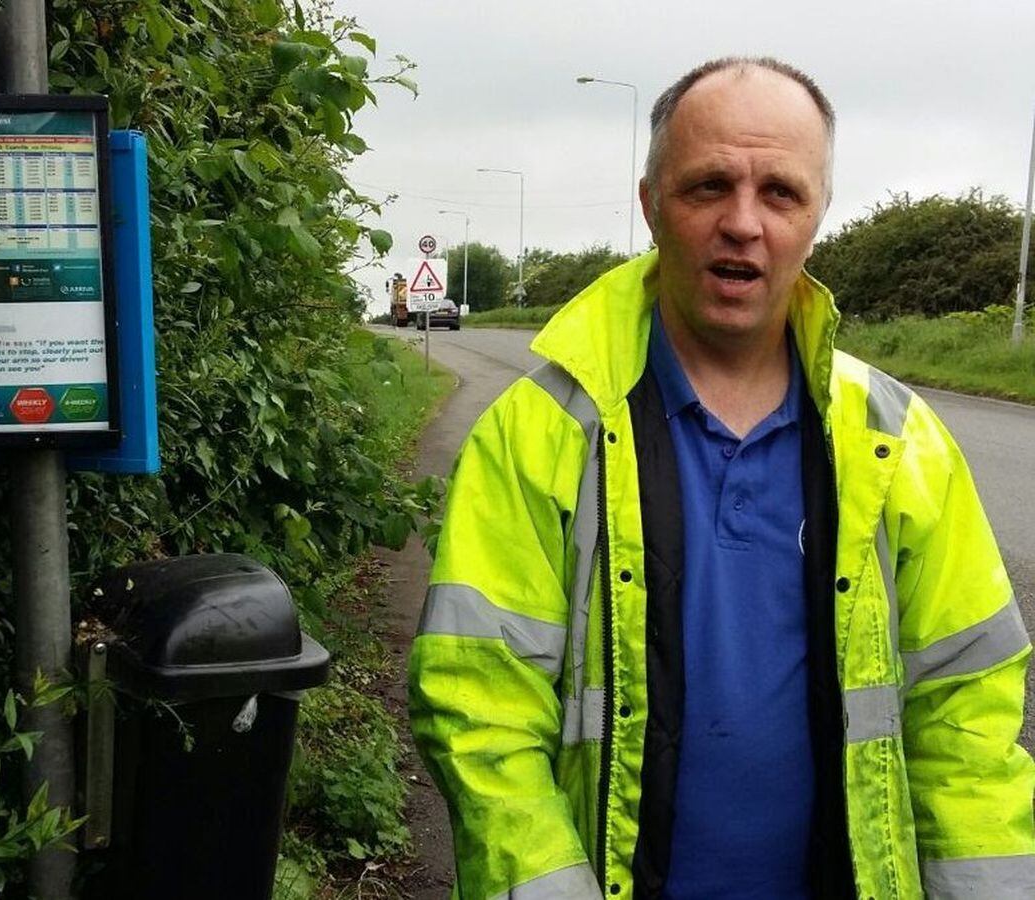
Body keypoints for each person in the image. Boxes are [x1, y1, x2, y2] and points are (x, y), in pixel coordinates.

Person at [408, 57, 1035, 900]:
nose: (743, 222)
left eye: (780, 192)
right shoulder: (537, 435)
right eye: (708, 186)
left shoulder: (900, 442)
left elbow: (966, 725)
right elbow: (481, 712)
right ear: (651, 204)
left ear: (818, 217)